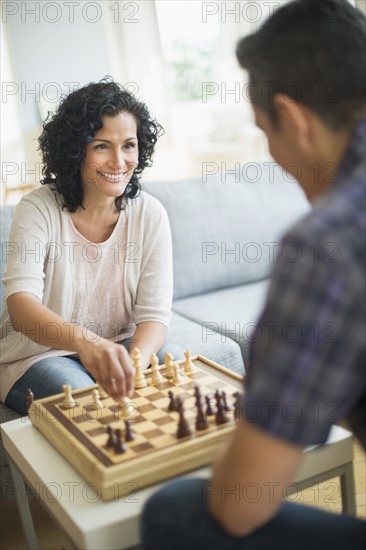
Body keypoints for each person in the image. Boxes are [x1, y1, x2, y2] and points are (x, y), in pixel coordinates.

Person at [141, 1, 366, 548]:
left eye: (265, 131)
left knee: (173, 510)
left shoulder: (325, 244)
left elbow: (241, 506)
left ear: (292, 119)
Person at [1, 79, 180, 415]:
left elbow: (154, 316)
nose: (118, 161)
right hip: (38, 353)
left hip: (121, 343)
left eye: (128, 145)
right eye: (102, 146)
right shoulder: (37, 208)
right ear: (76, 149)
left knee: (171, 392)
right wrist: (88, 343)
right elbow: (21, 307)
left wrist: (135, 365)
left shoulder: (150, 214)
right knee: (94, 409)